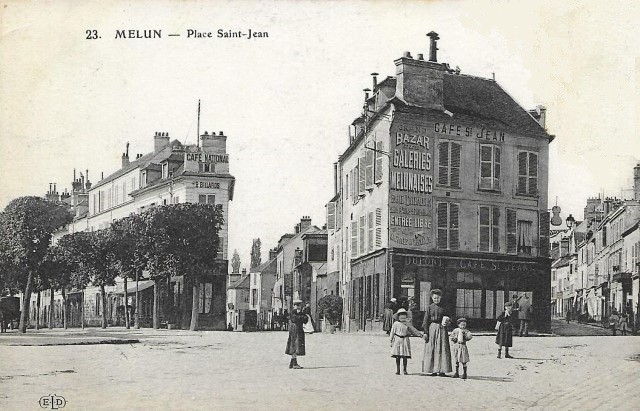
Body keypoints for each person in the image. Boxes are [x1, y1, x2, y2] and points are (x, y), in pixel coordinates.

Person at [421, 289, 452, 377]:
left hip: (442, 328)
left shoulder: (444, 307)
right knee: (432, 348)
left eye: (437, 298)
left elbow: (450, 317)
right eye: (434, 298)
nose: (436, 300)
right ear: (432, 298)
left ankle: (442, 370)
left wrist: (448, 321)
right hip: (432, 328)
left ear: (440, 298)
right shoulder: (429, 307)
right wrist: (425, 332)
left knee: (442, 348)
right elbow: (426, 320)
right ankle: (433, 370)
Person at [390, 308, 424, 375]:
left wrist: (420, 335)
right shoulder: (396, 324)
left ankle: (405, 369)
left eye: (404, 315)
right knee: (397, 355)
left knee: (405, 355)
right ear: (398, 316)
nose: (402, 317)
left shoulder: (408, 324)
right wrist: (391, 340)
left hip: (405, 339)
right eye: (401, 315)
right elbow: (392, 332)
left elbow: (413, 330)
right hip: (397, 339)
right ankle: (398, 370)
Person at [285, 299, 308, 369]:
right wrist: (300, 316)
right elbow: (294, 319)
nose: (298, 307)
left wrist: (301, 315)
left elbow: (306, 320)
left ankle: (292, 363)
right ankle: (294, 364)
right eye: (296, 305)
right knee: (295, 345)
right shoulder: (292, 312)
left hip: (299, 329)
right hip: (294, 330)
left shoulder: (301, 312)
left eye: (299, 305)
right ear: (294, 305)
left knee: (296, 345)